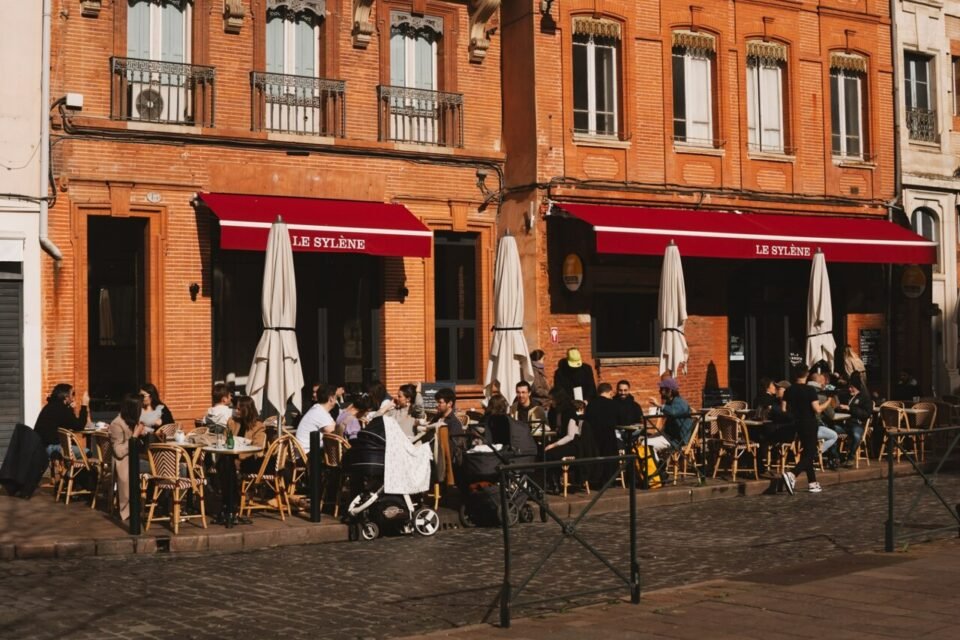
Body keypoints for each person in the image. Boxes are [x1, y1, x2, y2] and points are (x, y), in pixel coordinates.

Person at [783, 365, 833, 494]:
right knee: (810, 452)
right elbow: (817, 409)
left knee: (807, 452)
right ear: (807, 375)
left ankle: (812, 483)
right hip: (809, 423)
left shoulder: (789, 390)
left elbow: (784, 409)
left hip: (797, 424)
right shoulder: (810, 390)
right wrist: (829, 401)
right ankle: (792, 474)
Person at [108, 394, 147, 522]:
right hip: (127, 463)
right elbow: (119, 452)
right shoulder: (116, 424)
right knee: (169, 470)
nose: (142, 411)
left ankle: (162, 508)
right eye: (140, 408)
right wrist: (135, 436)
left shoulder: (133, 421)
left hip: (139, 460)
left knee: (176, 468)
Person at [33, 383, 91, 457]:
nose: (73, 397)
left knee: (74, 447)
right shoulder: (62, 409)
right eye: (72, 394)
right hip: (52, 448)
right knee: (88, 452)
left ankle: (71, 467)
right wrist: (84, 405)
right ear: (66, 397)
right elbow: (79, 425)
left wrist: (70, 408)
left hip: (40, 446)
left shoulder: (50, 406)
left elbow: (67, 422)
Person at [644, 378, 694, 455]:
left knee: (646, 444)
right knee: (644, 441)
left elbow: (673, 412)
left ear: (669, 391)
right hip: (669, 435)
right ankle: (657, 463)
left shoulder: (680, 402)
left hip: (677, 440)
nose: (660, 391)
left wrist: (659, 405)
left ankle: (657, 466)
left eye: (662, 389)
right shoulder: (670, 402)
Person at [227, 396, 267, 475]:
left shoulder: (258, 426)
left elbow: (258, 447)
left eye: (239, 409)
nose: (236, 411)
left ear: (246, 410)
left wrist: (240, 459)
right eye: (236, 408)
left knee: (228, 463)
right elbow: (226, 438)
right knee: (225, 460)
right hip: (232, 456)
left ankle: (229, 487)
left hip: (249, 460)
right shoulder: (233, 422)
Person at [806, 371, 840, 466]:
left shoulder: (804, 390)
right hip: (814, 428)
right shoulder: (821, 395)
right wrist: (829, 399)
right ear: (821, 383)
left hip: (799, 429)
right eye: (824, 382)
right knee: (834, 434)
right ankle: (817, 454)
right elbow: (831, 415)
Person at [838, 379, 873, 467]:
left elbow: (866, 414)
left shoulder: (865, 398)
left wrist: (850, 408)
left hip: (856, 424)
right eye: (849, 387)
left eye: (852, 387)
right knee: (832, 432)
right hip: (843, 425)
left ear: (858, 388)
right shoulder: (846, 396)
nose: (849, 389)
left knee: (856, 436)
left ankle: (851, 457)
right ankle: (837, 457)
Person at [295, 384, 337, 455]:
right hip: (308, 455)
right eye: (336, 398)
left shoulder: (319, 409)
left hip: (307, 451)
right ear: (331, 398)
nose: (336, 400)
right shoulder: (319, 412)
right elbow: (334, 433)